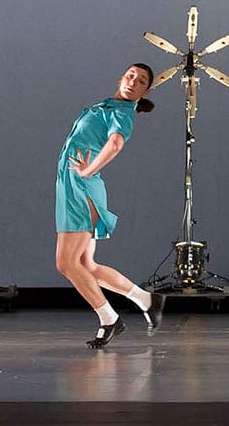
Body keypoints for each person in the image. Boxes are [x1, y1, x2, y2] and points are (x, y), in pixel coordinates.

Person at [55, 63, 165, 348]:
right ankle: (146, 299)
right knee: (84, 265)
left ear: (145, 91)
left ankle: (109, 319)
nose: (133, 81)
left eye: (141, 81)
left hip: (81, 189)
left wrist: (88, 170)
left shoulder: (122, 112)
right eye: (130, 75)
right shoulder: (106, 105)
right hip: (72, 187)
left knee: (66, 263)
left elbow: (115, 144)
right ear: (121, 77)